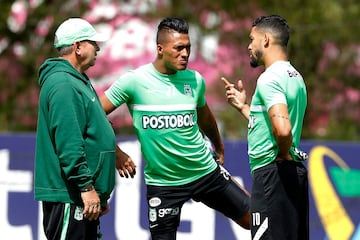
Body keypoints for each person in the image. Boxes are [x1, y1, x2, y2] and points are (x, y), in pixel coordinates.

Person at [100, 17, 250, 239]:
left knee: (256, 220)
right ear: (160, 49)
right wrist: (117, 154)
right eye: (179, 48)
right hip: (164, 185)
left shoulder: (194, 80)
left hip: (205, 172)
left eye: (188, 47)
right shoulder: (134, 82)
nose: (185, 53)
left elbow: (205, 116)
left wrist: (218, 145)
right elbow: (93, 115)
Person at [34, 18, 136, 240]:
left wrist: (99, 190)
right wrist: (87, 188)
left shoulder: (78, 81)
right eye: (93, 42)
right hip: (70, 197)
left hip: (83, 197)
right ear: (78, 47)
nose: (98, 48)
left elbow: (93, 127)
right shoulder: (63, 84)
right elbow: (69, 142)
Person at [222, 15, 309, 240]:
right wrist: (244, 108)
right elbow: (272, 125)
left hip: (273, 175)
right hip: (292, 175)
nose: (249, 45)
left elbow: (282, 130)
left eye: (252, 39)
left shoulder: (269, 78)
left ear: (266, 39)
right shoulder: (295, 76)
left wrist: (279, 155)